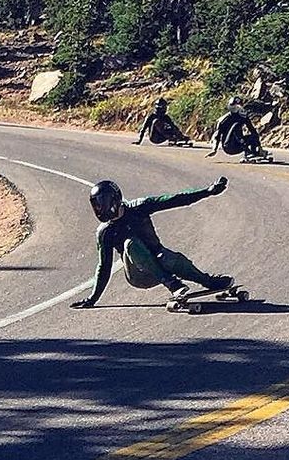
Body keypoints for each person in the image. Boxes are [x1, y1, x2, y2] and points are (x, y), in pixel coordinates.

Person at [70, 177, 233, 308]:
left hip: (160, 261)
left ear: (114, 199)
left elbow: (174, 200)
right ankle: (173, 285)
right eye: (96, 205)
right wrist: (92, 299)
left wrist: (207, 192)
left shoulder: (139, 207)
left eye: (102, 203)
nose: (100, 209)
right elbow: (104, 267)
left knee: (170, 257)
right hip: (138, 275)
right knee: (131, 244)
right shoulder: (105, 232)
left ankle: (209, 282)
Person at [207, 96, 266, 162]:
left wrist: (259, 146)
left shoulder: (243, 116)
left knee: (253, 135)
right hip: (228, 146)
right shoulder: (224, 119)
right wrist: (214, 149)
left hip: (239, 145)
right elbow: (217, 135)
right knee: (236, 125)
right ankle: (248, 152)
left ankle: (255, 152)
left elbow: (252, 130)